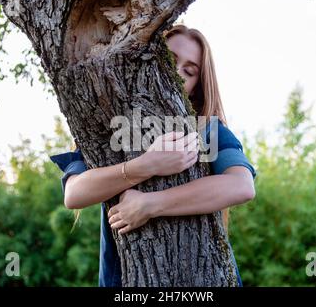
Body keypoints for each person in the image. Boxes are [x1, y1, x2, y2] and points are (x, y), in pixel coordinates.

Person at [50, 24, 257, 287]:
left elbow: (241, 186)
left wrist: (150, 204)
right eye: (169, 61)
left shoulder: (206, 128)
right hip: (125, 281)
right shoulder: (110, 126)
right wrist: (146, 165)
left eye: (189, 71)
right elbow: (75, 193)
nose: (177, 74)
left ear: (197, 85)